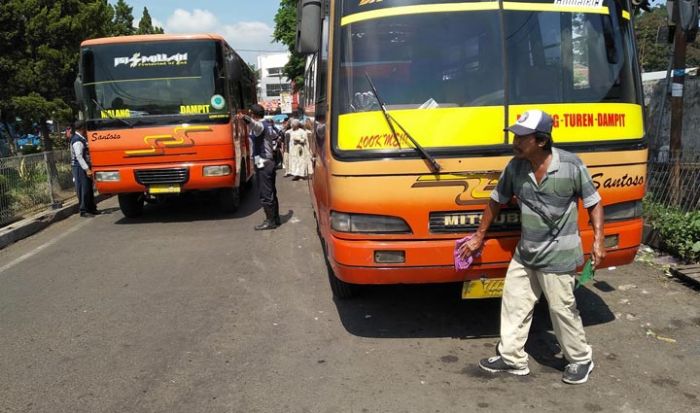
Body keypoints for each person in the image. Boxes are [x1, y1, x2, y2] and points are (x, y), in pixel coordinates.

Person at [458, 109, 605, 385]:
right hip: (526, 253)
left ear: (540, 140)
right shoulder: (515, 167)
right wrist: (479, 236)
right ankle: (512, 358)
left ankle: (580, 358)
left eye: (521, 137)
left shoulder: (572, 166)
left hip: (559, 255)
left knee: (562, 309)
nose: (515, 141)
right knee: (514, 304)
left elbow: (594, 202)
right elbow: (495, 201)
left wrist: (598, 240)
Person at [237, 104, 281, 230]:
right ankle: (275, 218)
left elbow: (254, 125)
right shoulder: (268, 124)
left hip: (263, 161)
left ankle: (270, 221)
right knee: (271, 190)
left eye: (251, 114)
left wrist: (245, 117)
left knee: (265, 191)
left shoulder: (260, 126)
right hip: (265, 161)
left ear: (253, 115)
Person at [70, 120, 99, 217]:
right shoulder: (77, 140)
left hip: (84, 166)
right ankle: (84, 210)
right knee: (83, 189)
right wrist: (87, 169)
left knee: (88, 188)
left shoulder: (82, 138)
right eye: (86, 128)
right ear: (82, 128)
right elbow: (79, 156)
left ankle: (91, 208)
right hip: (80, 167)